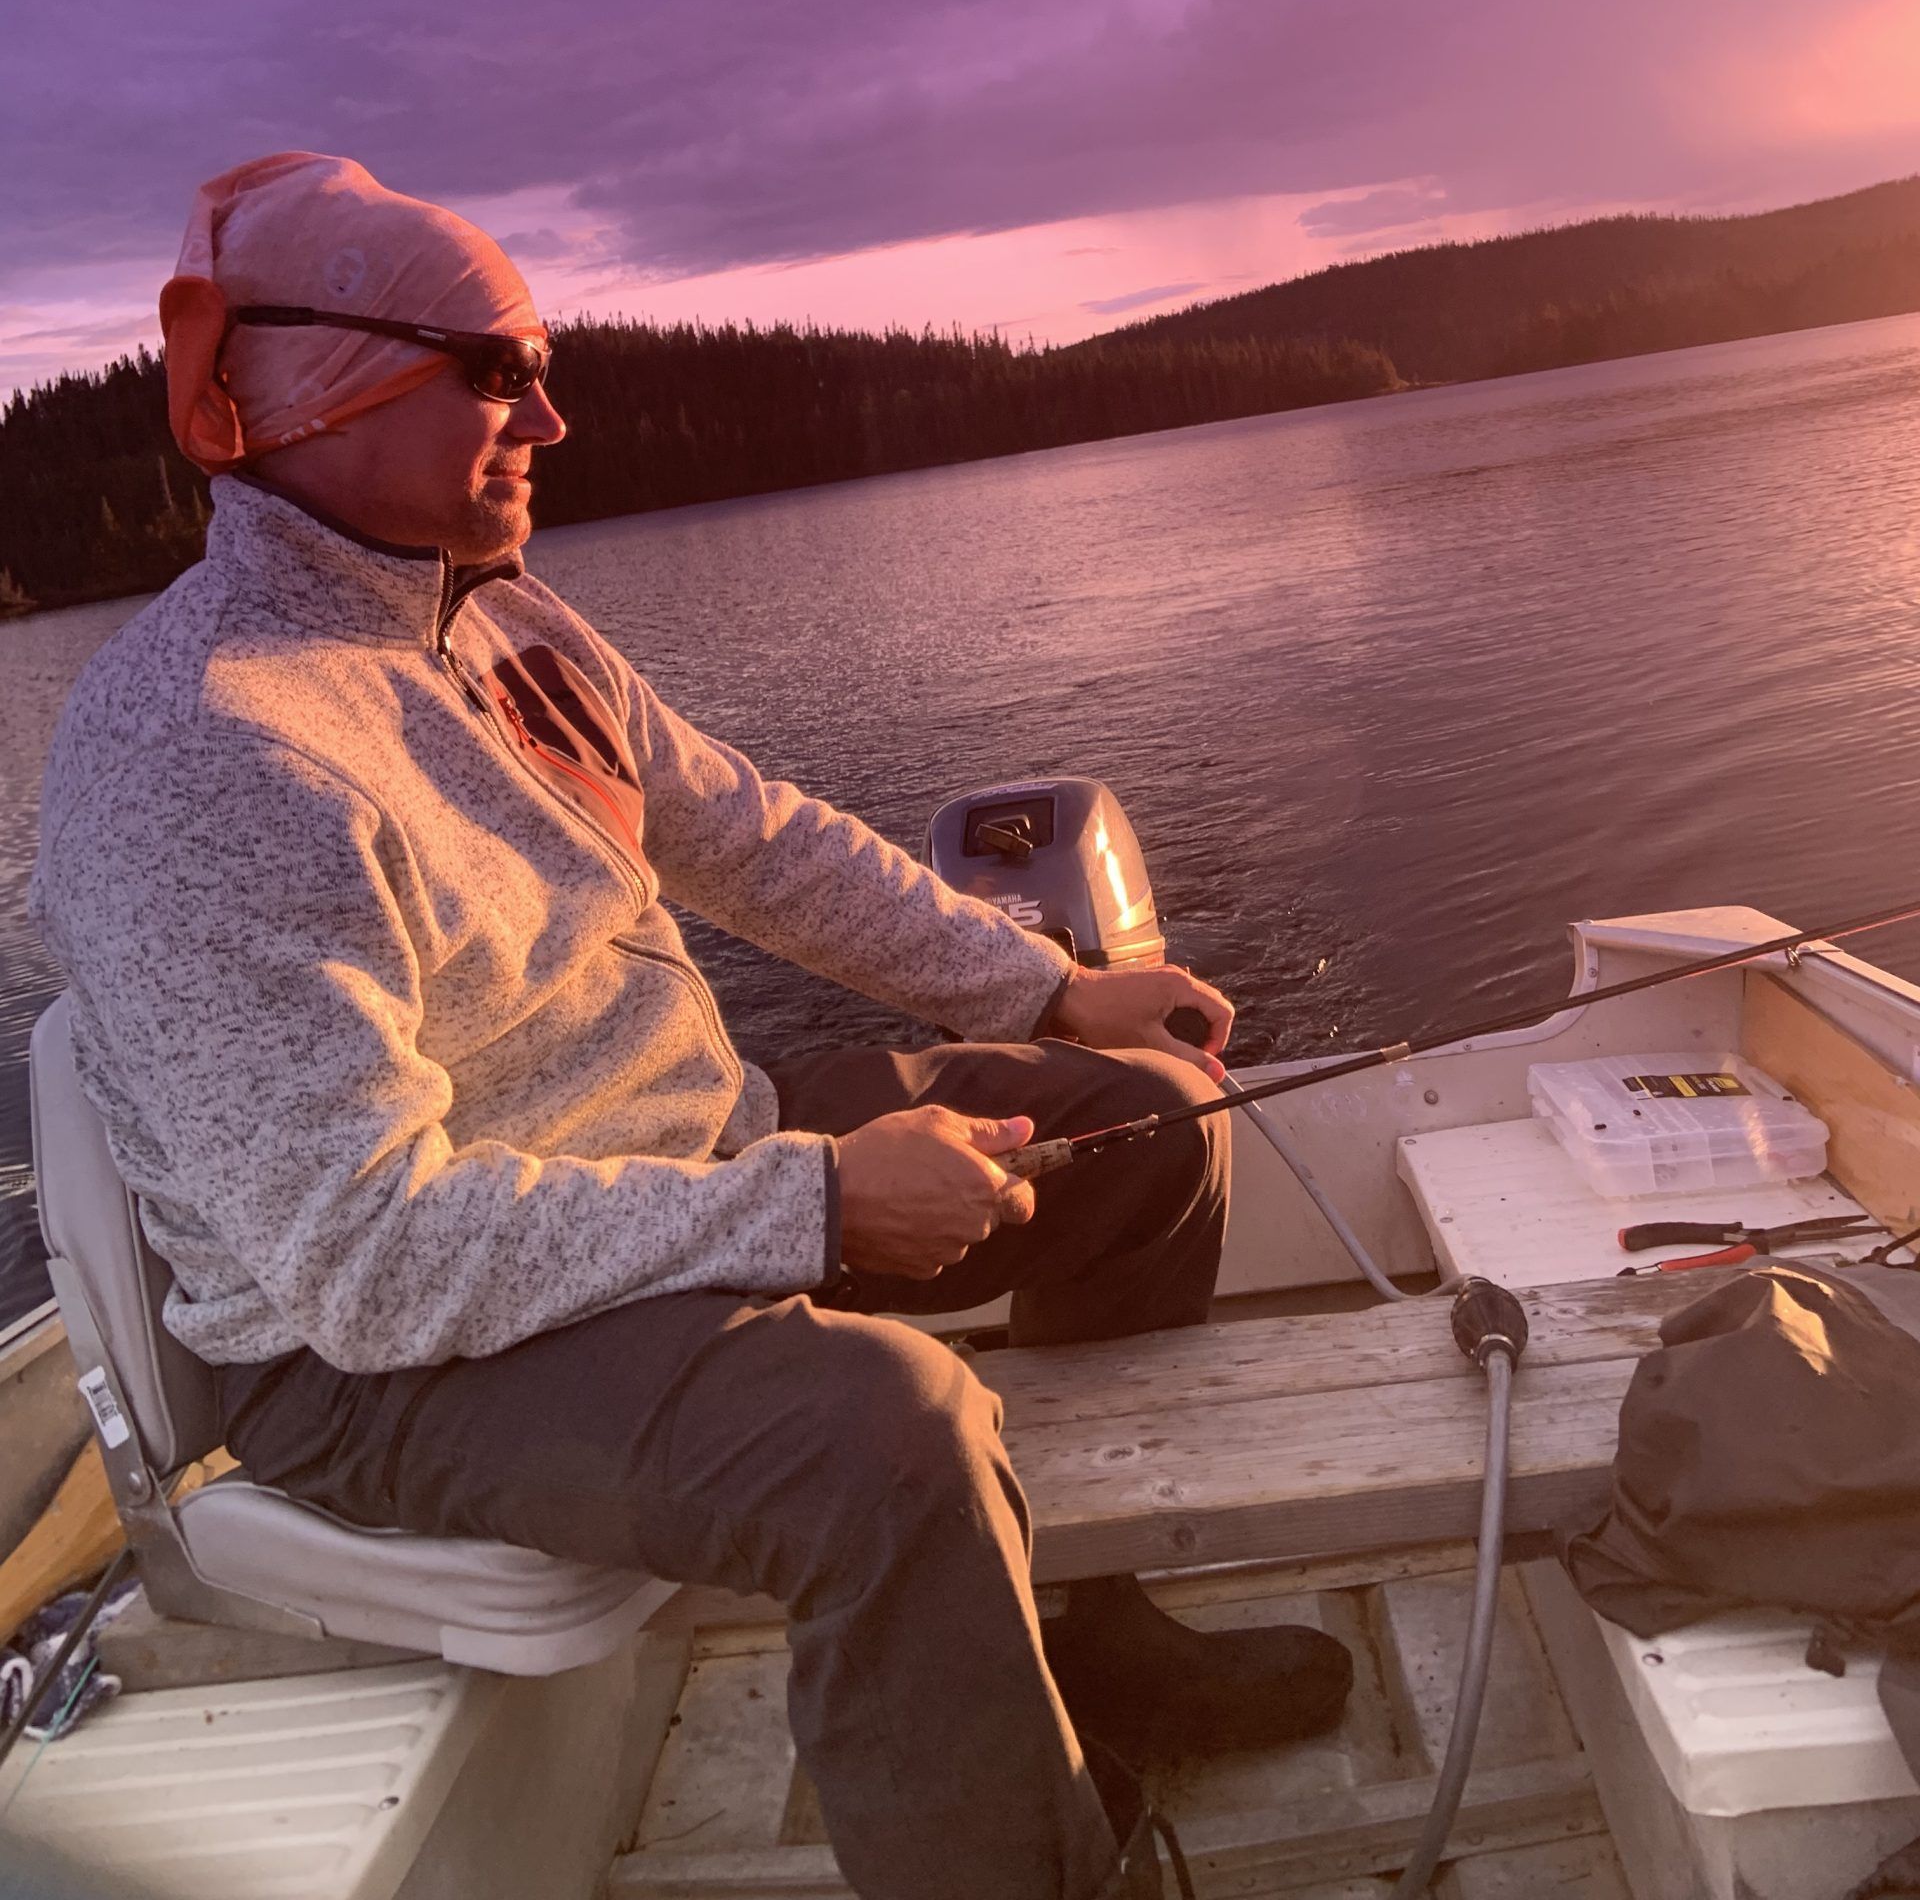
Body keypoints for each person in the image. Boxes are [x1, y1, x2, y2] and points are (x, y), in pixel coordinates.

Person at [31, 153, 1352, 1900]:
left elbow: (746, 832)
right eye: (496, 371)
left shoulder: (487, 610)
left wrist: (1038, 989)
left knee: (1148, 1123)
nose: (551, 417)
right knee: (886, 1437)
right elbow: (360, 1262)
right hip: (379, 1365)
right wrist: (812, 1206)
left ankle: (1072, 1639)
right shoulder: (215, 757)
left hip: (657, 1167)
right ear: (307, 390)